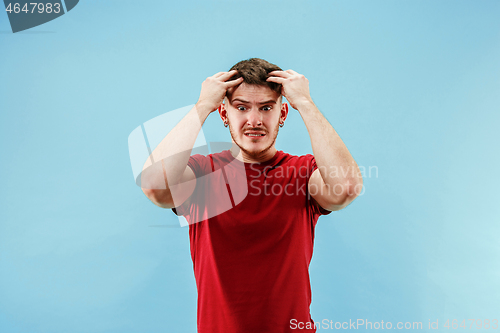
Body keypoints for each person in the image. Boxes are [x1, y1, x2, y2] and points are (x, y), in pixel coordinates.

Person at [140, 58, 363, 333]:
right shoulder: (202, 174)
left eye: (266, 108)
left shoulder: (302, 174)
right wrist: (201, 107)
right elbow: (155, 187)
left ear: (282, 115)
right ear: (224, 115)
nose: (254, 120)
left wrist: (305, 104)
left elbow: (347, 188)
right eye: (241, 108)